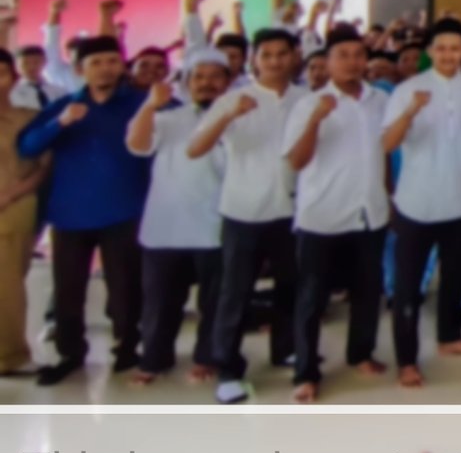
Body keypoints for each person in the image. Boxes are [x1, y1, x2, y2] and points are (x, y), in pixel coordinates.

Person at [18, 37, 149, 386]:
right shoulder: (65, 106)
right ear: (80, 69)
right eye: (96, 63)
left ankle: (127, 346)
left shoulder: (142, 103)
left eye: (112, 61)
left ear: (121, 65)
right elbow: (28, 146)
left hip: (125, 209)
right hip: (71, 212)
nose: (105, 68)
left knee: (125, 286)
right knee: (68, 288)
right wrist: (60, 123)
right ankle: (70, 353)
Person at [188, 27, 306, 404]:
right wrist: (227, 117)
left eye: (282, 54)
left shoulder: (306, 99)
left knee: (291, 287)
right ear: (255, 59)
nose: (275, 61)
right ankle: (227, 369)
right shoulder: (233, 99)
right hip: (244, 211)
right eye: (266, 54)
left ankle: (286, 349)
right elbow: (195, 148)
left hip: (294, 210)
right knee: (235, 293)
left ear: (294, 56)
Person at [282, 26, 390, 403]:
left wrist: (388, 196)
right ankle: (306, 372)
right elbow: (296, 161)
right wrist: (316, 120)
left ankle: (361, 353)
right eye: (342, 55)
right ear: (326, 62)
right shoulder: (307, 104)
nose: (352, 62)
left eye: (358, 55)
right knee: (312, 298)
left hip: (369, 211)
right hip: (322, 215)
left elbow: (384, 153)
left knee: (367, 291)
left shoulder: (379, 100)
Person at [381, 17, 461, 389]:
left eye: (455, 48)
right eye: (441, 48)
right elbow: (387, 144)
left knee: (455, 277)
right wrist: (410, 112)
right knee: (409, 286)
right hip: (417, 202)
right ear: (430, 51)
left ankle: (449, 337)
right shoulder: (407, 90)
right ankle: (407, 360)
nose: (448, 55)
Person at [125, 49, 230, 386]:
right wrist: (149, 106)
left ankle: (207, 357)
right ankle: (154, 358)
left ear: (227, 82)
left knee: (215, 300)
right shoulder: (169, 117)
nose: (206, 83)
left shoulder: (240, 117)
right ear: (186, 83)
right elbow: (137, 145)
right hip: (166, 224)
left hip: (217, 224)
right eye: (198, 77)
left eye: (215, 77)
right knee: (160, 300)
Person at [0, 49, 49, 377]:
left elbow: (44, 167)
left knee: (6, 285)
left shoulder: (29, 118)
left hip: (14, 206)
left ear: (14, 79)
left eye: (1, 74)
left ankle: (10, 355)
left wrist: (10, 194)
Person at [9, 44, 66, 111]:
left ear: (45, 62)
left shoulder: (59, 91)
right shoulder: (9, 93)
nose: (31, 67)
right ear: (15, 66)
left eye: (36, 62)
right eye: (25, 63)